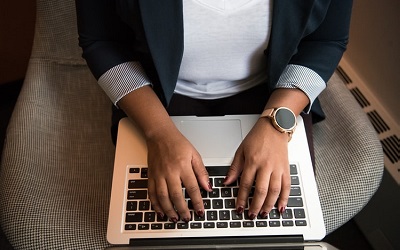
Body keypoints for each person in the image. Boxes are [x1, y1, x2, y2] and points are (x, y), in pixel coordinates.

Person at [76, 0, 353, 224]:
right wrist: (159, 132)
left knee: (272, 225)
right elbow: (101, 40)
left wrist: (276, 124)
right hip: (155, 90)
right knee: (162, 224)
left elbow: (326, 41)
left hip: (272, 87)